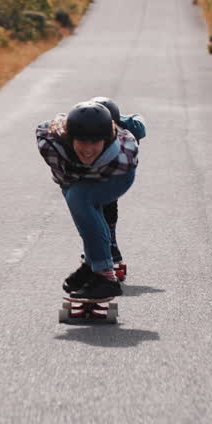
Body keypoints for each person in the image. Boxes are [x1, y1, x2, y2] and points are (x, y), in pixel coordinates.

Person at [36, 100, 141, 300]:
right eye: (82, 141)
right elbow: (64, 179)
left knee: (80, 198)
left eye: (95, 142)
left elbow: (88, 191)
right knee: (78, 202)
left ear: (106, 139)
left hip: (117, 177)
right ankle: (92, 266)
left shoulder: (122, 156)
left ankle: (105, 278)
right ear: (70, 137)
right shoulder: (50, 142)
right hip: (76, 176)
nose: (88, 149)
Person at [89, 96, 147, 278]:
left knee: (105, 207)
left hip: (117, 171)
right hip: (92, 171)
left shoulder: (128, 127)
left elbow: (139, 123)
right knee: (95, 210)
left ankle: (109, 248)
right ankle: (105, 249)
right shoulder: (84, 125)